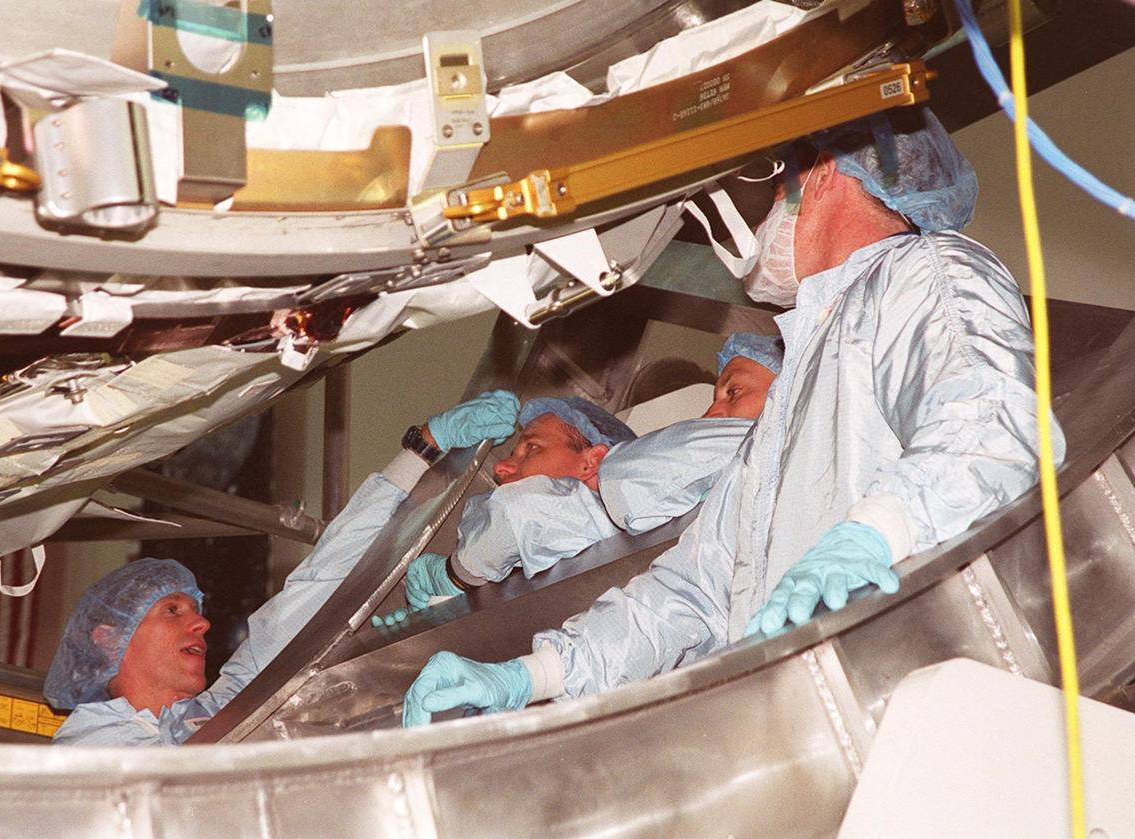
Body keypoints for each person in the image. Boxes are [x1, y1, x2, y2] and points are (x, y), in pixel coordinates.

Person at [400, 106, 1064, 726]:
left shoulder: (924, 273)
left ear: (826, 172)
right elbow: (692, 590)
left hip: (915, 712)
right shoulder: (796, 389)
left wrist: (871, 535)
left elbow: (995, 421)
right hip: (799, 719)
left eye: (779, 194)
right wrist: (530, 673)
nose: (770, 216)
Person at [46, 390, 521, 745]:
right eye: (171, 610)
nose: (202, 622)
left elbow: (324, 577)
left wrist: (422, 448)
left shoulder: (229, 702)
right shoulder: (84, 759)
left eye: (194, 609)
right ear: (107, 639)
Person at [379, 334, 782, 625]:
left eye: (531, 448)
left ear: (593, 463)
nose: (501, 468)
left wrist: (452, 576)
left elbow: (519, 514)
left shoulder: (619, 497)